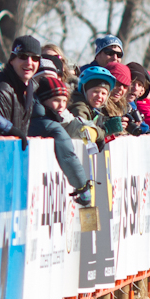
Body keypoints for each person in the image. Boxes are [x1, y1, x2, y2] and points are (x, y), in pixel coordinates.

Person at [30, 73, 94, 206]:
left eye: (64, 101)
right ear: (43, 100)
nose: (61, 106)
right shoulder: (48, 125)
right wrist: (82, 186)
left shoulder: (52, 118)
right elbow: (67, 156)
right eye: (56, 100)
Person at [0, 35, 40, 138]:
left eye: (35, 58)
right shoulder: (1, 89)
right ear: (12, 60)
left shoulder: (29, 88)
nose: (29, 62)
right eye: (23, 56)